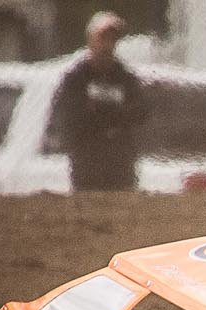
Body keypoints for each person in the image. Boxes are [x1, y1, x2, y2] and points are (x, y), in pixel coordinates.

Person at [51, 12, 145, 192]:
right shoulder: (76, 79)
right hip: (88, 168)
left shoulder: (125, 77)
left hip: (120, 167)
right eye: (102, 38)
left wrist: (108, 112)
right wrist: (109, 114)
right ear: (90, 41)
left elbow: (141, 111)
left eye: (112, 39)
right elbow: (72, 116)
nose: (107, 45)